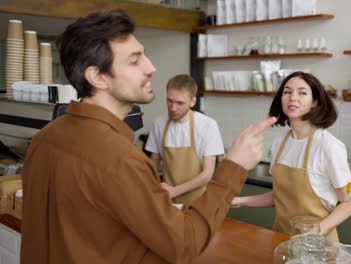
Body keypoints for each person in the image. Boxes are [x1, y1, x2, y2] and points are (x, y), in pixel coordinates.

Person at [20, 9, 277, 264]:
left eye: (145, 56)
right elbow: (184, 245)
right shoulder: (120, 159)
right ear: (97, 76)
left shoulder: (45, 137)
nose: (151, 67)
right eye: (135, 60)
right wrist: (234, 166)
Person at [232, 71, 351, 241]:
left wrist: (315, 232)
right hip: (281, 238)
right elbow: (282, 196)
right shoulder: (279, 143)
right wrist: (240, 201)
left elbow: (350, 203)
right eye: (287, 92)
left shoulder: (327, 145)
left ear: (314, 102)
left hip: (318, 245)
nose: (293, 97)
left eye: (302, 92)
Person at [145, 74, 224, 207]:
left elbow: (207, 174)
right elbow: (153, 164)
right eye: (169, 100)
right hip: (168, 202)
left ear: (192, 102)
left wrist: (175, 191)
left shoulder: (207, 125)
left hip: (198, 203)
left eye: (180, 103)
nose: (173, 108)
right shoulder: (159, 123)